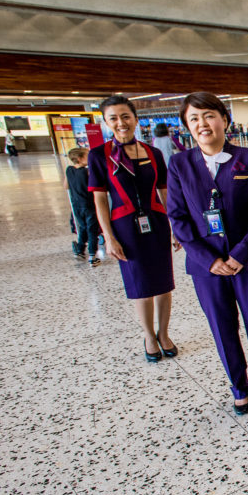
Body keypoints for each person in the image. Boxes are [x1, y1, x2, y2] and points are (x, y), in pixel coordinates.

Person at [167, 92, 248, 414]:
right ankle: (238, 386)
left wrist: (240, 255)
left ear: (224, 120)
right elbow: (178, 217)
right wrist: (210, 260)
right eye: (194, 119)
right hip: (207, 267)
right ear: (187, 126)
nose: (203, 124)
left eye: (209, 115)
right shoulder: (179, 164)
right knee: (222, 327)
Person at [88, 94, 179, 363]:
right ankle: (149, 336)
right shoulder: (99, 156)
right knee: (141, 283)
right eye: (113, 118)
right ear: (106, 123)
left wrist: (175, 227)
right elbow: (100, 198)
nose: (121, 122)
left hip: (157, 222)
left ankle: (164, 333)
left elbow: (165, 192)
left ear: (136, 119)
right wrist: (109, 236)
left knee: (164, 283)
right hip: (125, 227)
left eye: (125, 116)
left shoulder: (153, 153)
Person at [64, 147, 101, 264]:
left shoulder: (69, 170)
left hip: (76, 205)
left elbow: (66, 186)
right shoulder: (87, 172)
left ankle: (80, 250)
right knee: (92, 229)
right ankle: (92, 255)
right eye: (87, 155)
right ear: (80, 159)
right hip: (89, 204)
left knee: (83, 227)